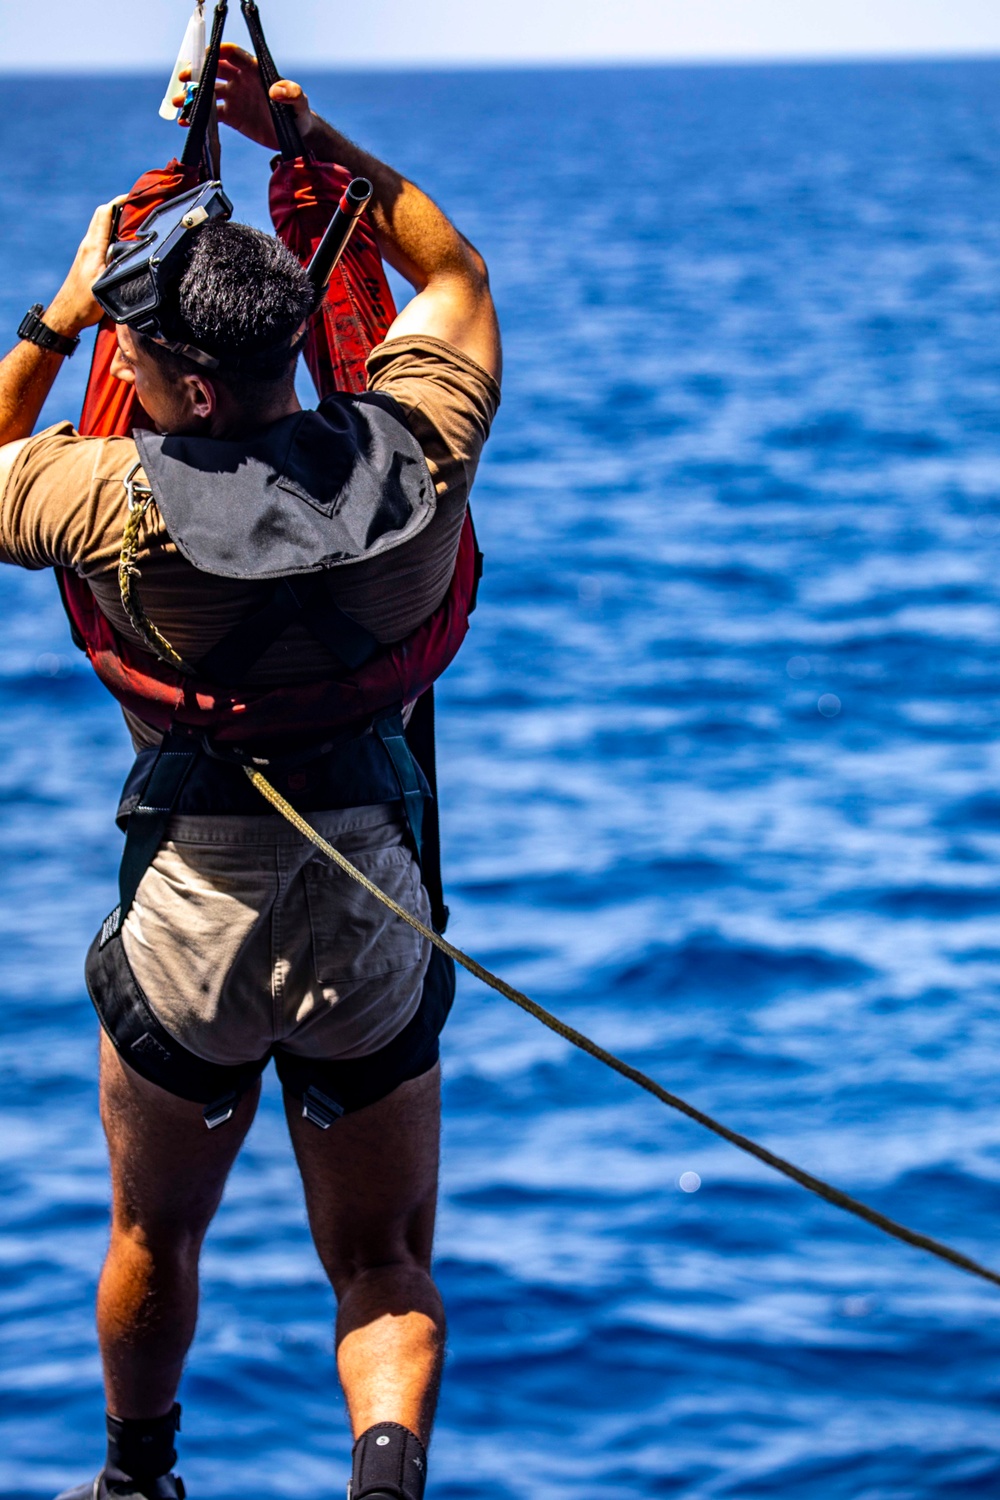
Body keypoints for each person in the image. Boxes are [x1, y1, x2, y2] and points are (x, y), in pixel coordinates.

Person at [0, 49, 501, 1500]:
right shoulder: (421, 462)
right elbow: (453, 272)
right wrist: (302, 132)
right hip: (371, 915)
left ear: (180, 388)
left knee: (156, 1239)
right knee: (385, 1262)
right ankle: (386, 1482)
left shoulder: (111, 503)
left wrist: (61, 308)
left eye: (134, 358)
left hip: (195, 923)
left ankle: (136, 1480)